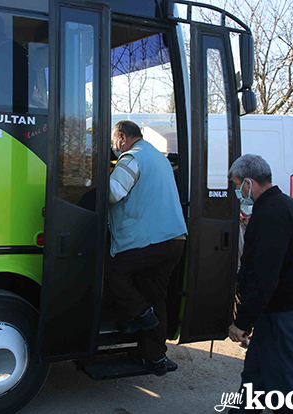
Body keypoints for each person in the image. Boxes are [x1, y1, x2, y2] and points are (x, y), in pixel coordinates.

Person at [227, 154, 293, 413]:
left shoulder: (270, 215)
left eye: (237, 185)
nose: (237, 191)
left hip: (286, 314)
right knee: (254, 376)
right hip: (287, 311)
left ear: (249, 183)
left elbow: (263, 276)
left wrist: (242, 322)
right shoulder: (290, 206)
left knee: (287, 388)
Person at [103, 121, 187, 376]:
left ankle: (138, 314)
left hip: (150, 240)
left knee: (111, 270)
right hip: (174, 239)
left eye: (115, 141)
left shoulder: (132, 157)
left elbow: (113, 192)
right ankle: (153, 356)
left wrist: (90, 180)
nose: (115, 146)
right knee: (155, 297)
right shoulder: (158, 157)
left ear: (122, 137)